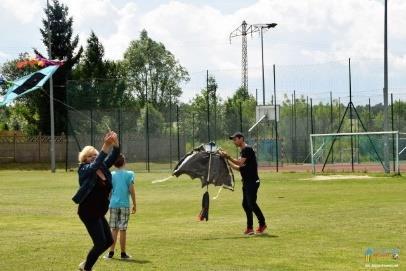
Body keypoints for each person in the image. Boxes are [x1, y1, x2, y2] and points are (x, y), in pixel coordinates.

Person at [72, 131, 120, 271]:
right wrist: (105, 145)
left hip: (98, 212)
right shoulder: (84, 169)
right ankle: (87, 268)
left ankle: (85, 264)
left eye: (95, 154)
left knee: (108, 241)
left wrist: (115, 144)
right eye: (90, 156)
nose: (93, 157)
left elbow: (114, 156)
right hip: (88, 212)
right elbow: (95, 165)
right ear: (84, 159)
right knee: (99, 243)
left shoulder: (103, 167)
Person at [220, 132, 267, 235]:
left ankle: (262, 224)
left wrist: (228, 157)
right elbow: (239, 167)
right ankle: (250, 228)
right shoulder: (242, 152)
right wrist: (227, 162)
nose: (234, 141)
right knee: (246, 204)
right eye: (233, 140)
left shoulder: (247, 149)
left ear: (241, 138)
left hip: (253, 182)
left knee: (251, 203)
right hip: (246, 182)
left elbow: (239, 163)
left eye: (235, 139)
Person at [103, 154, 136, 260]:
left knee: (114, 229)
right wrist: (134, 204)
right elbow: (131, 190)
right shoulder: (129, 174)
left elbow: (108, 192)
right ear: (124, 162)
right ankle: (123, 254)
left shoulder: (111, 175)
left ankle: (110, 253)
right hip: (125, 205)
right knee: (123, 229)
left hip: (113, 205)